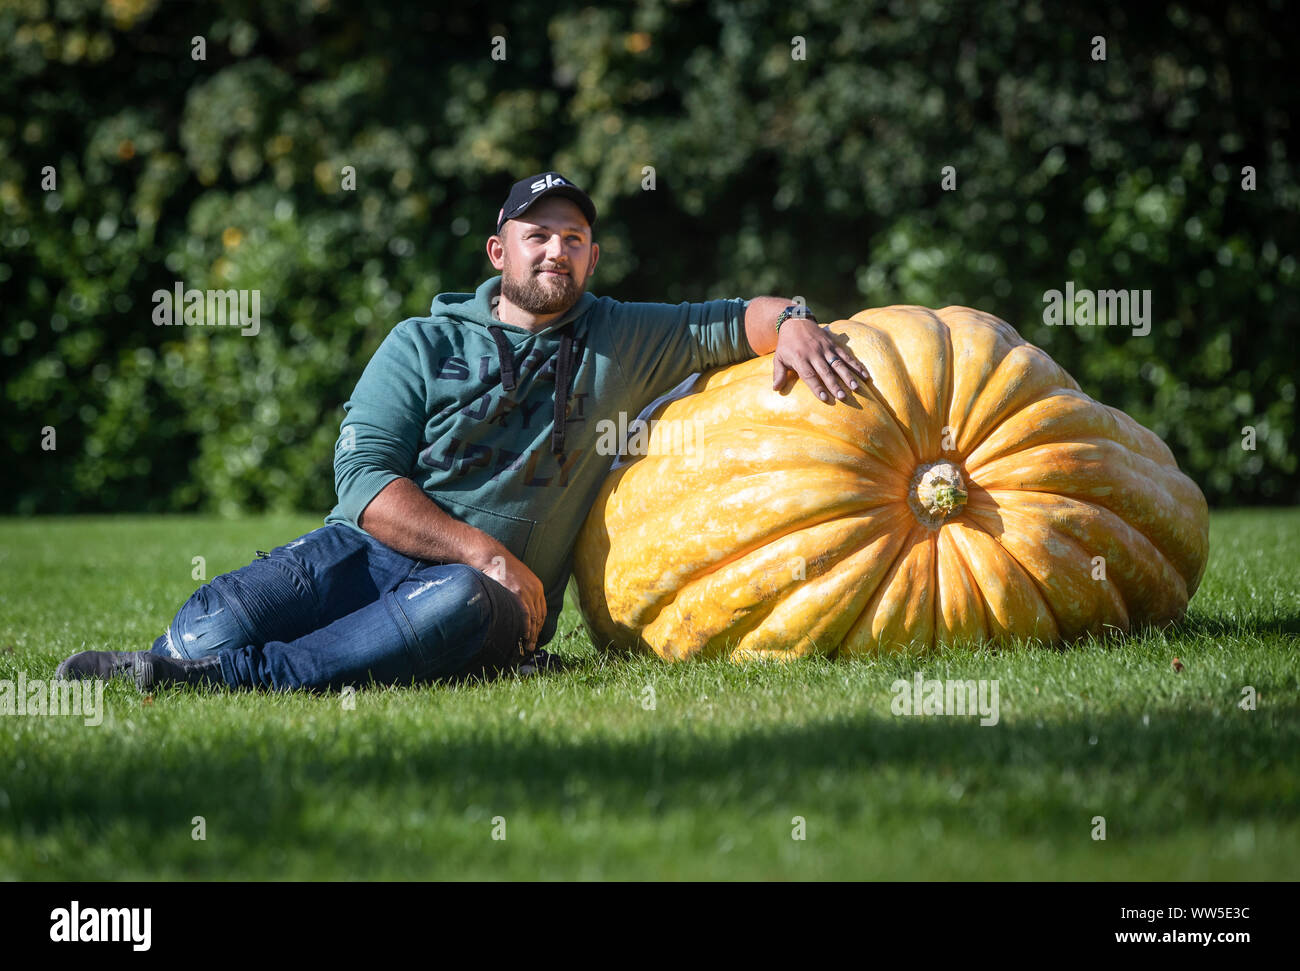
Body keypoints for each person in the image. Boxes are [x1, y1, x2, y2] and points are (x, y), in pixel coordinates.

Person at [56, 171, 871, 692]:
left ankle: (219, 681)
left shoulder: (624, 335)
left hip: (480, 602)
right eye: (539, 235)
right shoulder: (421, 342)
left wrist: (795, 322)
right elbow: (367, 485)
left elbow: (739, 318)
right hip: (371, 551)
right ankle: (194, 658)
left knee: (447, 603)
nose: (558, 250)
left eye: (575, 240)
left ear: (591, 261)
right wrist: (486, 548)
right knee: (209, 620)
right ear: (498, 251)